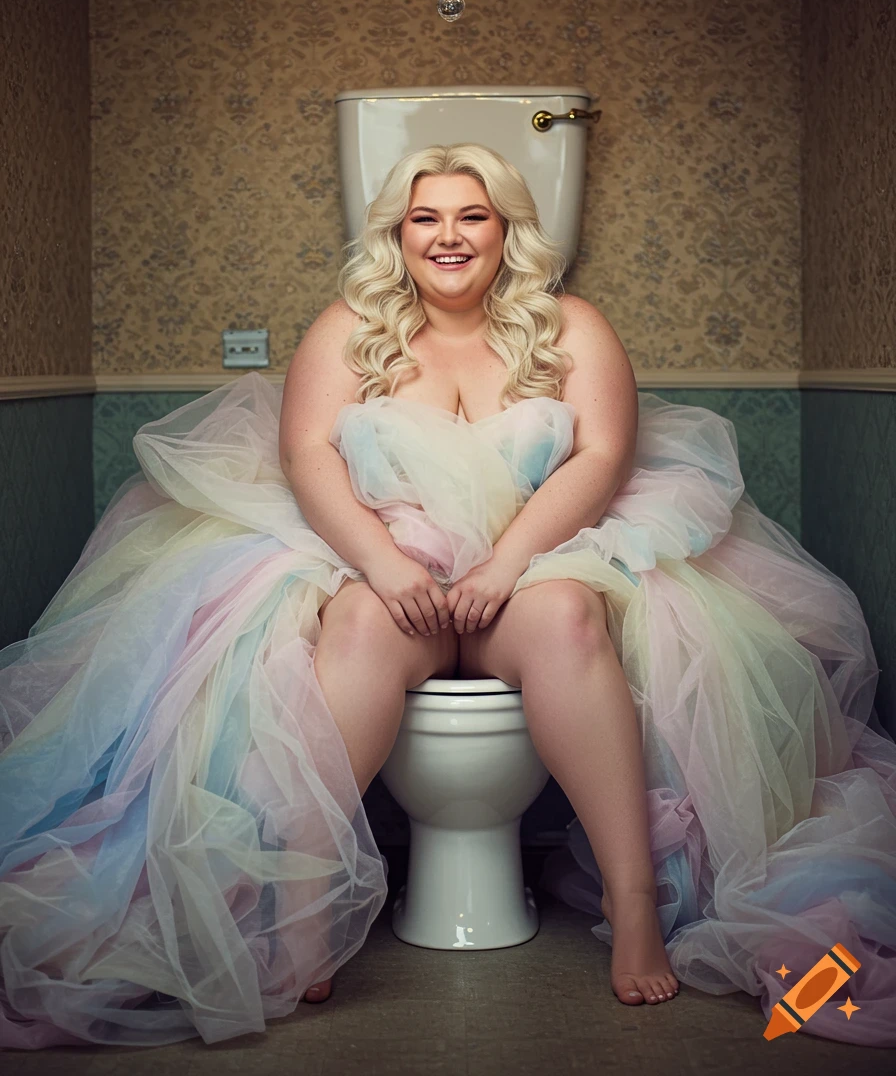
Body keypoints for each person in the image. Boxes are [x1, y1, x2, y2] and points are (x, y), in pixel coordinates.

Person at [0, 145, 894, 1051]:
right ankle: (303, 916)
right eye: (425, 218)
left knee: (571, 618)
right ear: (398, 235)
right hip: (395, 573)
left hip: (534, 569)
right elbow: (307, 455)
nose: (448, 236)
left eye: (472, 216)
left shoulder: (572, 326)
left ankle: (634, 911)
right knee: (354, 624)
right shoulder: (350, 328)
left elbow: (602, 456)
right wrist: (384, 566)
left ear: (508, 230)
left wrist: (505, 567)